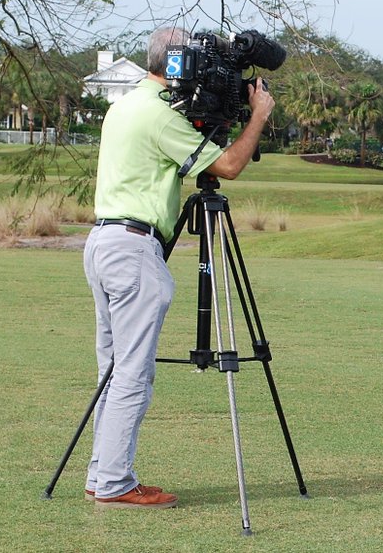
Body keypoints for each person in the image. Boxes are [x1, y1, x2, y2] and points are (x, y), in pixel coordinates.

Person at [83, 26, 274, 507]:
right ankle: (113, 483)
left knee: (113, 369)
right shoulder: (159, 115)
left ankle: (102, 473)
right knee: (133, 373)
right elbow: (227, 167)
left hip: (103, 242)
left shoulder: (125, 104)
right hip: (132, 249)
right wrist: (258, 116)